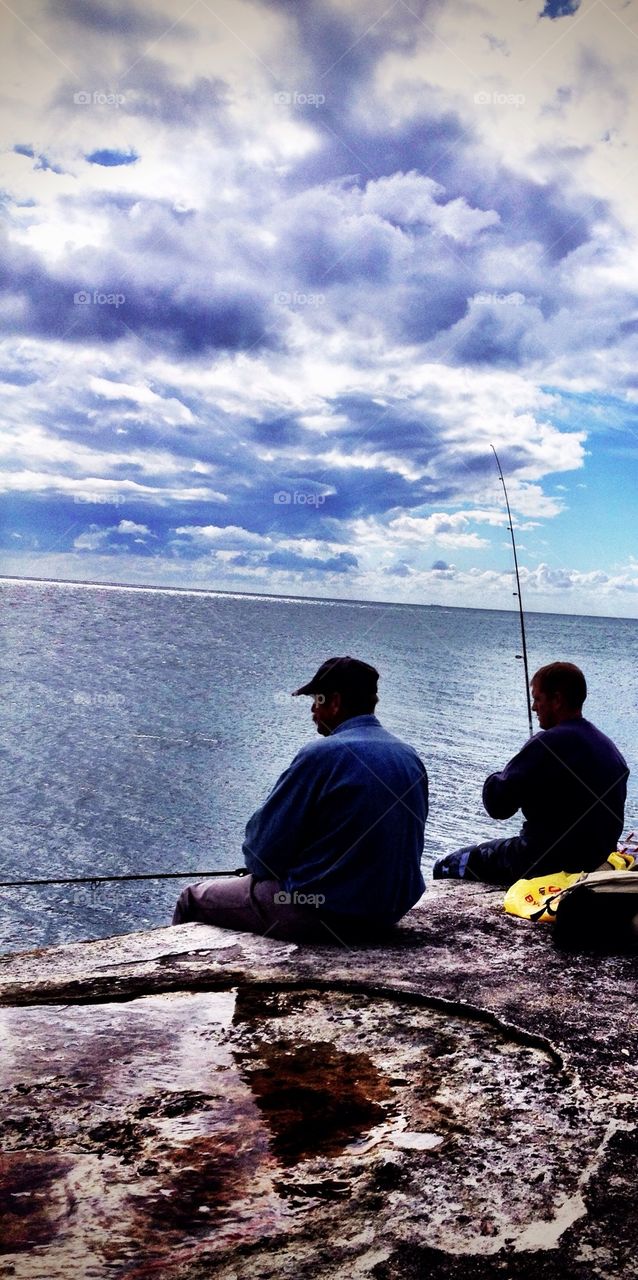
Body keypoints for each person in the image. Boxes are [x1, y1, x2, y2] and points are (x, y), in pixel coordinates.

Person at [173, 656, 429, 942]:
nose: (312, 709)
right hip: (386, 914)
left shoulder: (321, 755)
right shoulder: (409, 757)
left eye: (317, 700)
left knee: (191, 899)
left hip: (325, 912)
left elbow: (261, 855)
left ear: (335, 702)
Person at [433, 662, 629, 887]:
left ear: (556, 700)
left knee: (444, 865)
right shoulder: (609, 749)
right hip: (594, 860)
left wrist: (498, 776)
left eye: (537, 699)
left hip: (540, 860)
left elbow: (498, 805)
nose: (534, 707)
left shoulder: (548, 744)